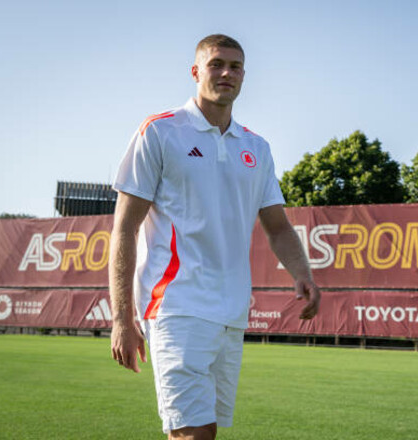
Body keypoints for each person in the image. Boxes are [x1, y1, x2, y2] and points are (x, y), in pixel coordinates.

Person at [109, 34, 320, 440]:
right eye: (216, 64)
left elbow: (277, 226)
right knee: (192, 434)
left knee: (206, 430)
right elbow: (124, 229)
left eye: (236, 66)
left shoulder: (256, 147)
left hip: (232, 312)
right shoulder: (159, 132)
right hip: (176, 305)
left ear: (244, 76)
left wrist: (303, 274)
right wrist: (122, 318)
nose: (227, 73)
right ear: (195, 72)